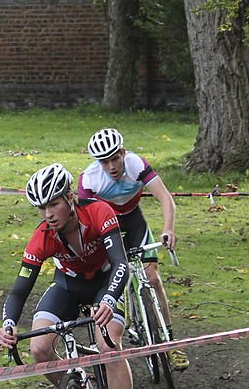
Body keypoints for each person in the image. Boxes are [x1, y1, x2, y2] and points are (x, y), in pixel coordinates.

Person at [0, 162, 143, 389]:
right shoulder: (42, 237)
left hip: (105, 282)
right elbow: (18, 290)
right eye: (41, 208)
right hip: (68, 286)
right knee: (39, 348)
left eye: (53, 204)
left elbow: (121, 265)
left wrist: (110, 299)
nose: (48, 215)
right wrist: (9, 324)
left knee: (108, 345)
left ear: (70, 197)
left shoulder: (99, 212)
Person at [78, 128, 189, 370]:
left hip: (134, 221)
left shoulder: (136, 164)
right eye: (104, 161)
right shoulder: (89, 179)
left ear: (123, 153)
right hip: (108, 229)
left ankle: (170, 341)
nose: (111, 167)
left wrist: (168, 229)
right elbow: (84, 222)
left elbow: (165, 198)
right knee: (111, 279)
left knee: (152, 278)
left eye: (114, 158)